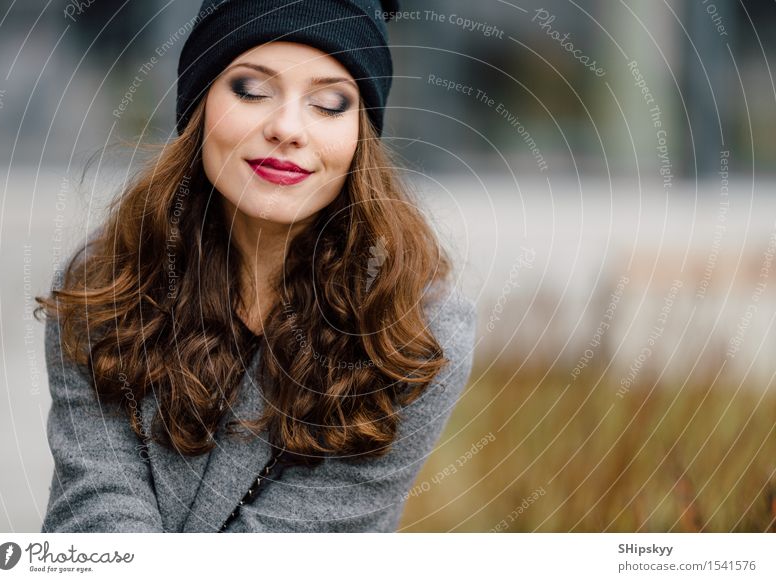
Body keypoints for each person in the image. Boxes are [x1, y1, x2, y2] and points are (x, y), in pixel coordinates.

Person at [35, 0, 477, 533]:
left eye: (331, 102)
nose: (288, 128)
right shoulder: (103, 285)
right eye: (251, 90)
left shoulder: (414, 333)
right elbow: (96, 505)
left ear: (361, 134)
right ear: (199, 106)